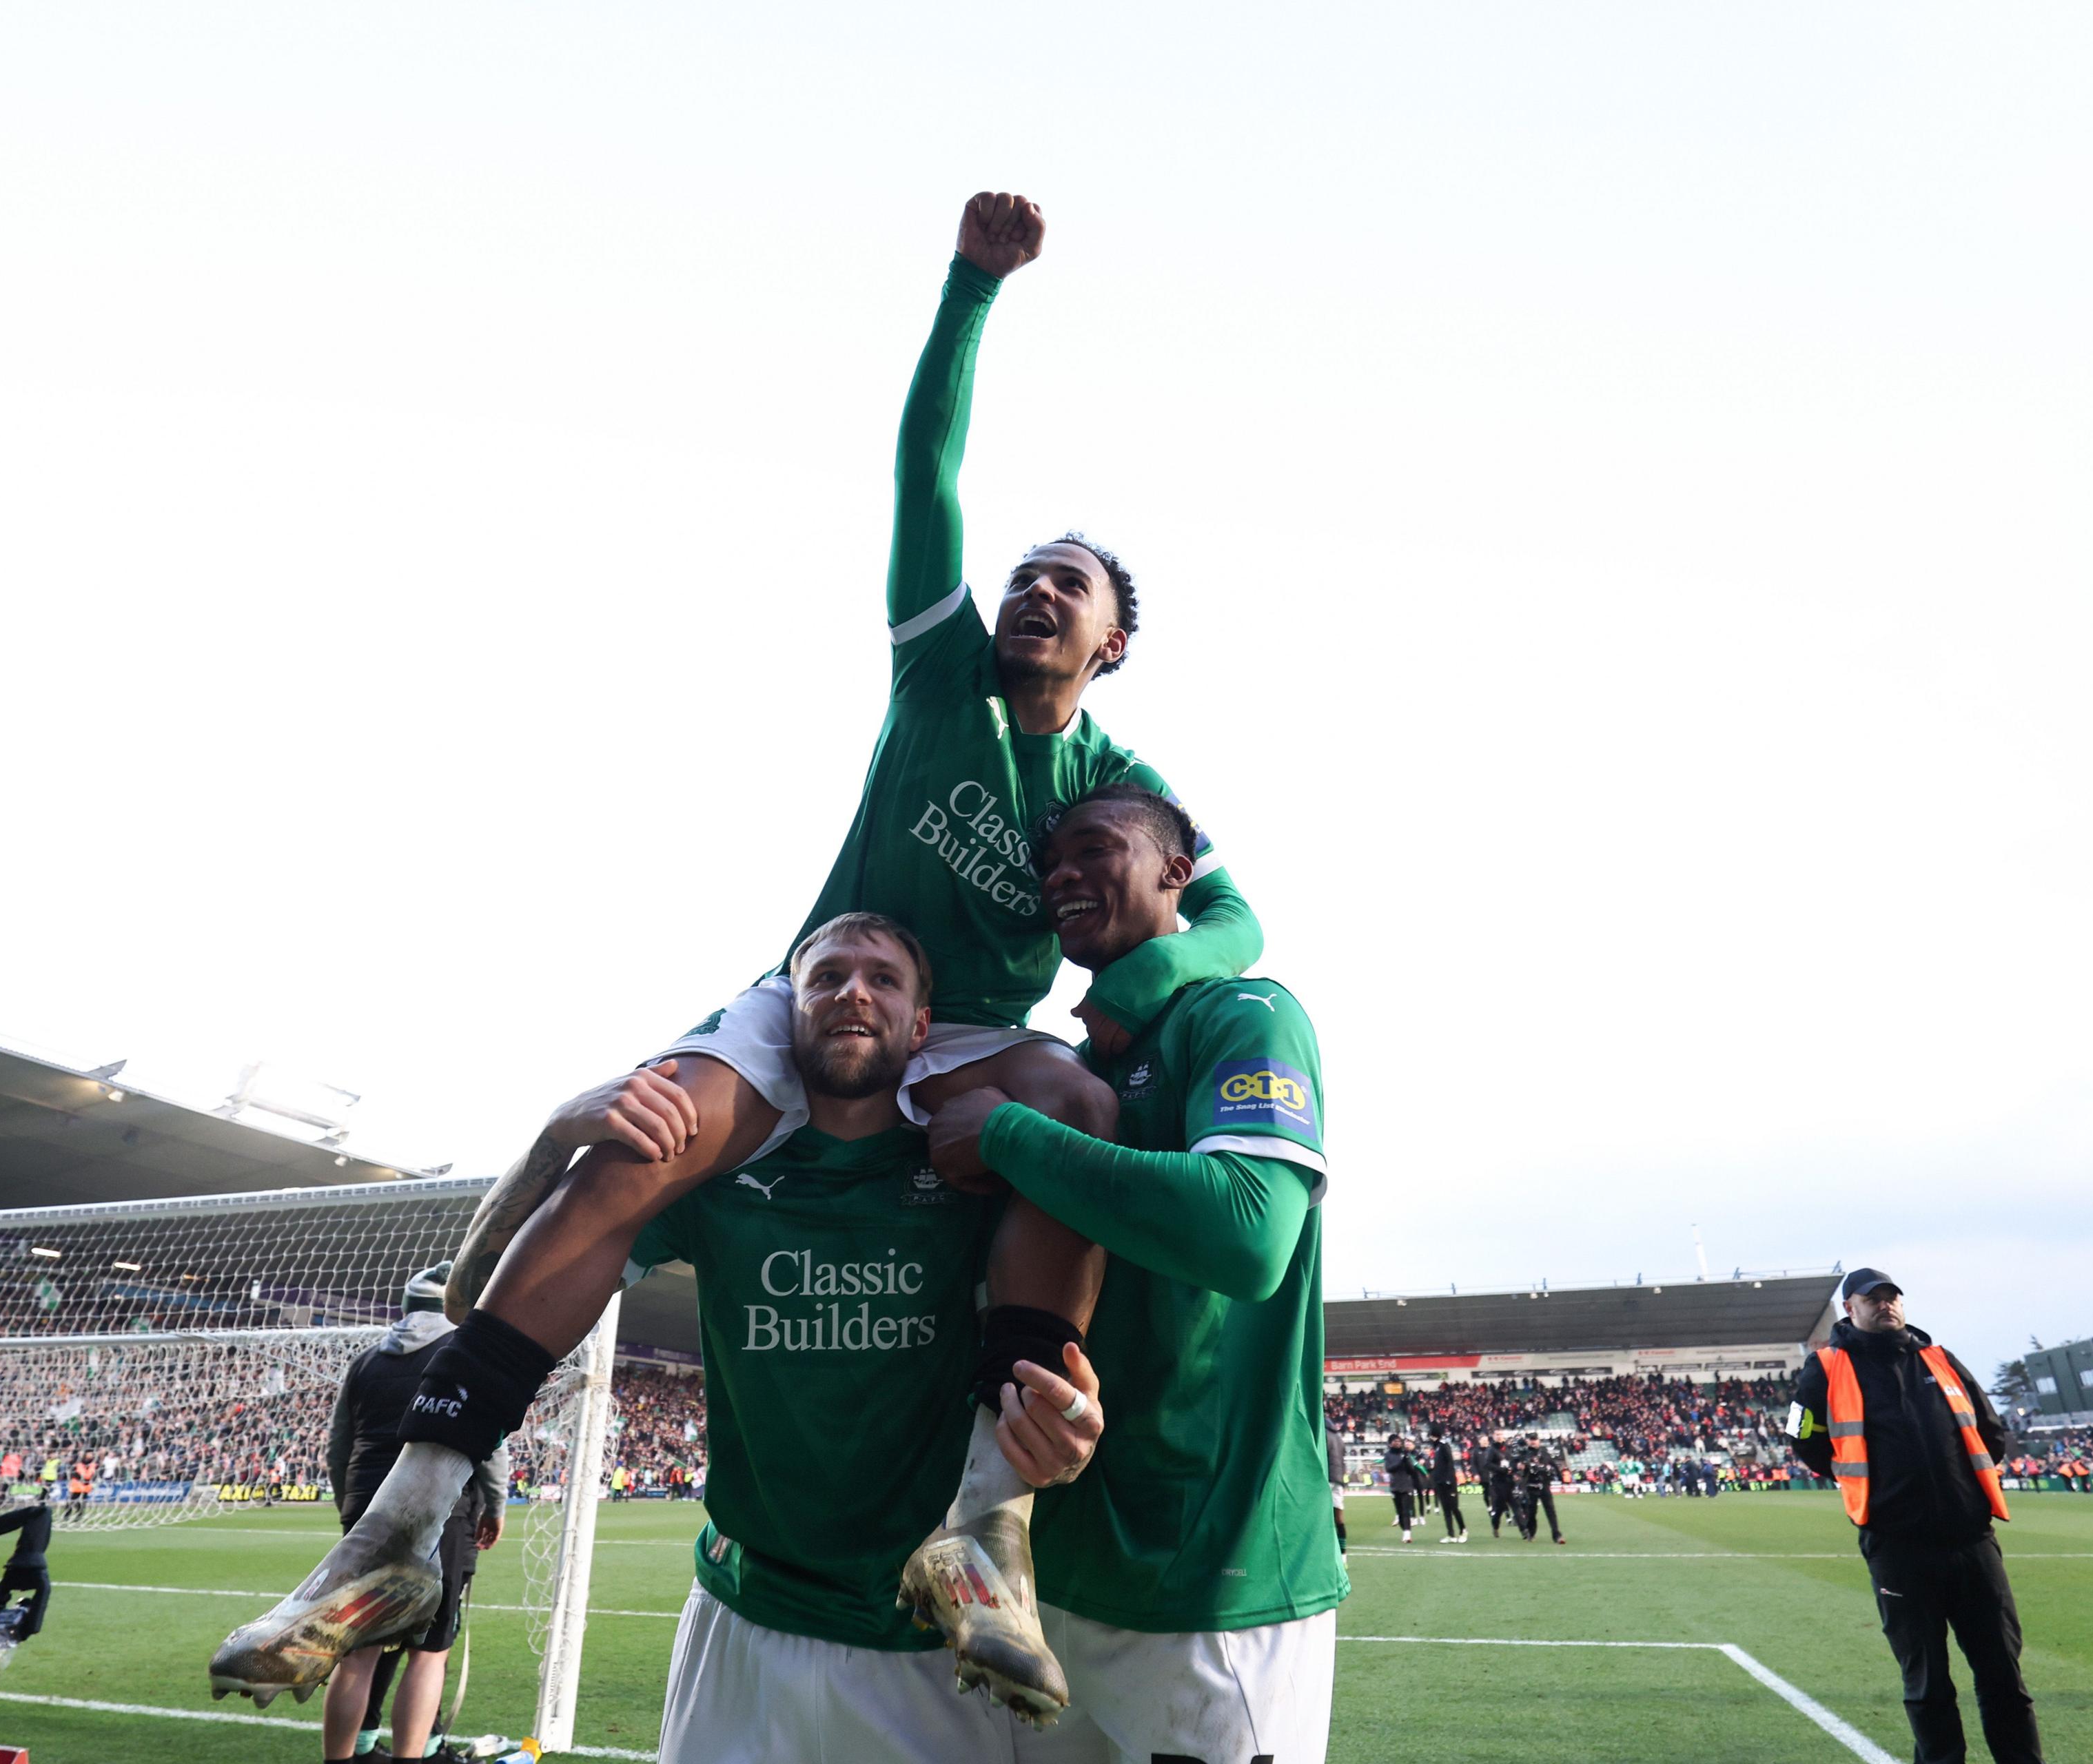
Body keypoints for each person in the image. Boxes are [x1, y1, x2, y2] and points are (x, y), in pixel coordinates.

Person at [211, 191, 1261, 1714]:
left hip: (968, 1032)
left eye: (1069, 585)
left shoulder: (1120, 794)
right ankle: (403, 1522)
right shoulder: (938, 681)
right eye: (1026, 571)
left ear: (1113, 643)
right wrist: (972, 289)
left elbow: (1234, 916)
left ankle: (981, 1529)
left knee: (1077, 1118)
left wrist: (1136, 986)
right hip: (823, 996)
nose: (1033, 589)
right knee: (640, 1136)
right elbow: (926, 467)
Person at [556, 914, 1110, 1760]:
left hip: (932, 1642)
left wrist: (1061, 1428)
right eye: (827, 976)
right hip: (742, 1623)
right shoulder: (712, 1168)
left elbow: (1057, 1331)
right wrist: (557, 1131)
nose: (853, 990)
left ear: (922, 1026)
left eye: (884, 978)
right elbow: (475, 1297)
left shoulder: (972, 1172)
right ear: (789, 1012)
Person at [925, 784, 1344, 1764]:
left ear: (1176, 871)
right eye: (1049, 867)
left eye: (1094, 849)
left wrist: (1005, 1133)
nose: (1062, 875)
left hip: (1214, 1585)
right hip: (1060, 1573)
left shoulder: (1247, 1014)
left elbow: (1248, 1234)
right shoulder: (1076, 1071)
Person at [1788, 1269, 2041, 1764]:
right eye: (1873, 1299)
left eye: (1892, 1297)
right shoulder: (1824, 1367)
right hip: (1897, 1547)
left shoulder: (1940, 1359)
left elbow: (1989, 1429)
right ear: (1850, 1308)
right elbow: (1804, 1436)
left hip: (1972, 1540)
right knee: (1926, 1682)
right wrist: (1863, 1484)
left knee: (2003, 1677)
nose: (1886, 1305)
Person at [318, 1261, 506, 1764]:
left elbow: (338, 1450)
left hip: (365, 1507)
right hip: (438, 1506)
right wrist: (496, 1505)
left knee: (357, 1652)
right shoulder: (463, 1352)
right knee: (429, 1652)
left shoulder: (365, 1362)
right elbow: (489, 1439)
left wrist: (352, 1513)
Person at [1516, 1442, 1566, 1544]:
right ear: (1528, 1440)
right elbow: (1518, 1466)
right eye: (1531, 1439)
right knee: (1532, 1513)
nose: (1533, 1442)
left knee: (1551, 1511)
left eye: (1535, 1439)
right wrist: (1520, 1467)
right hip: (1531, 1486)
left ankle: (1557, 1535)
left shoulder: (1544, 1453)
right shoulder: (1525, 1453)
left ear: (1539, 1441)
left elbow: (1553, 1465)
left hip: (1544, 1486)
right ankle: (1531, 1533)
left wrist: (1561, 1478)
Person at [1429, 1430, 1469, 1543]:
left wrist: (1449, 1480)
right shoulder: (1436, 1449)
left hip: (1449, 1483)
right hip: (1440, 1483)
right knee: (1446, 1510)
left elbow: (1450, 1463)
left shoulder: (1443, 1446)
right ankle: (1451, 1535)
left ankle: (1463, 1530)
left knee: (1454, 1508)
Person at [1382, 1436, 1422, 1541]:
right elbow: (1389, 1469)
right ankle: (1405, 1530)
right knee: (1400, 1512)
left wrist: (1407, 1460)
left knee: (1405, 1511)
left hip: (1406, 1485)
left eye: (1400, 1441)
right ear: (1390, 1443)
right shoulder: (1388, 1455)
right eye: (1396, 1441)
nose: (1398, 1443)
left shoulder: (1406, 1454)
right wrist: (1401, 1462)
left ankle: (1407, 1534)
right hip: (1395, 1486)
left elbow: (1411, 1471)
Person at [1484, 1438, 1517, 1539]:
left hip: (1509, 1480)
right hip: (1496, 1480)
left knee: (1516, 1504)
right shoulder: (1490, 1451)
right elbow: (1487, 1465)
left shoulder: (1508, 1450)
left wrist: (1513, 1471)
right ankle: (1498, 1523)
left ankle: (1523, 1528)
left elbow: (1512, 1463)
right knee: (1500, 1504)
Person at [1326, 1416, 1348, 1557]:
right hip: (1338, 1479)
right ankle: (1343, 1555)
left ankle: (1325, 1552)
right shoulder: (1338, 1438)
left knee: (1322, 1516)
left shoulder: (1323, 1435)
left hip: (1326, 1479)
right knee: (1339, 1518)